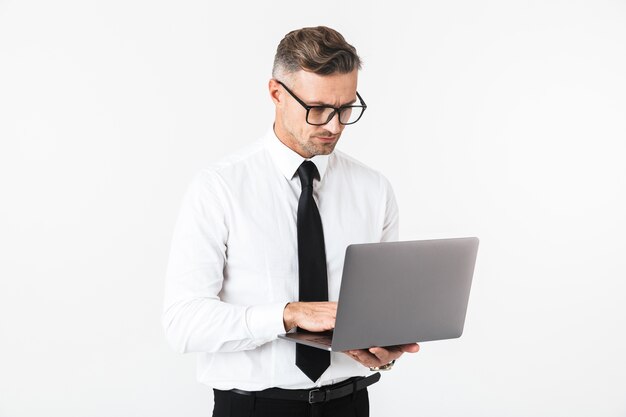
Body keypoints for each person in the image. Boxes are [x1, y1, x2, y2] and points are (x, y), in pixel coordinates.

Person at [162, 26, 420, 417]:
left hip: (349, 403)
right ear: (276, 94)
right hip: (253, 407)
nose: (334, 125)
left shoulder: (374, 190)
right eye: (318, 109)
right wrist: (288, 314)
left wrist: (383, 353)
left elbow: (377, 312)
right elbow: (183, 323)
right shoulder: (219, 188)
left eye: (346, 108)